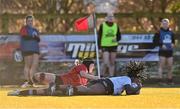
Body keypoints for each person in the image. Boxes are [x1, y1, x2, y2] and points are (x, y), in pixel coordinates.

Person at [8, 61, 146, 96]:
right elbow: (129, 90)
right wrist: (138, 86)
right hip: (105, 86)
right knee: (83, 90)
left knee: (80, 89)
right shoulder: (128, 80)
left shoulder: (125, 78)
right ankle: (31, 84)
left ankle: (23, 92)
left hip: (104, 84)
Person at [32, 58, 99, 86]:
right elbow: (82, 74)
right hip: (61, 80)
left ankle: (36, 83)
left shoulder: (86, 78)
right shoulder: (82, 66)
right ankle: (33, 81)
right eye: (93, 65)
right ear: (89, 64)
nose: (93, 67)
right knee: (41, 76)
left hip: (65, 86)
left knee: (46, 88)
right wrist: (95, 77)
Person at [153, 18, 175, 85]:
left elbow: (173, 41)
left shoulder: (171, 32)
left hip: (170, 51)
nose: (165, 24)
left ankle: (170, 80)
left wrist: (173, 44)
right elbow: (154, 41)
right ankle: (160, 81)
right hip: (162, 51)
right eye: (163, 23)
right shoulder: (158, 32)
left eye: (166, 23)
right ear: (161, 24)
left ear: (168, 24)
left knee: (170, 66)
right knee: (161, 66)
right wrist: (161, 45)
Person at [20, 15, 40, 88]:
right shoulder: (24, 28)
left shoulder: (35, 30)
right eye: (29, 21)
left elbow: (38, 39)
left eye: (31, 21)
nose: (30, 22)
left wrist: (36, 37)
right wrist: (33, 37)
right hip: (27, 48)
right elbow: (24, 36)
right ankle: (26, 81)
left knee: (34, 65)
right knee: (27, 65)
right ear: (26, 21)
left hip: (35, 49)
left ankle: (31, 81)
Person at [98, 13, 121, 77]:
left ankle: (111, 77)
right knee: (105, 62)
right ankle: (101, 76)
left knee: (112, 62)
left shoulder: (116, 26)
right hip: (104, 46)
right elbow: (99, 37)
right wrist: (99, 48)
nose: (111, 18)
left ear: (114, 18)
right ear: (106, 18)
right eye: (109, 16)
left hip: (113, 46)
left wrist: (116, 40)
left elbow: (119, 36)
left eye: (112, 17)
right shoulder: (102, 25)